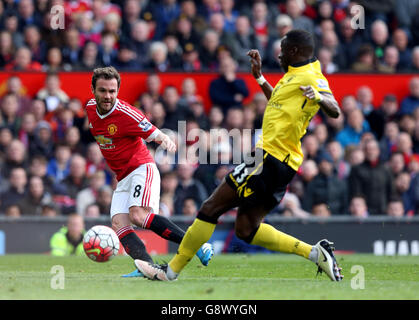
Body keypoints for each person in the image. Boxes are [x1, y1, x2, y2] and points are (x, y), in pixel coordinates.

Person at [135, 29, 343, 282]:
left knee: (210, 208)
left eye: (282, 49)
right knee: (246, 229)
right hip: (283, 164)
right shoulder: (293, 75)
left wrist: (320, 97)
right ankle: (314, 253)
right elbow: (278, 102)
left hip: (267, 158)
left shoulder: (312, 76)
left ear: (294, 51)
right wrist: (260, 79)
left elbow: (335, 110)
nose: (278, 54)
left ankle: (170, 271)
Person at [85, 67, 213, 277]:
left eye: (112, 91)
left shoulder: (126, 113)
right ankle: (145, 266)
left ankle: (198, 245)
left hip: (141, 168)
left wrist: (166, 140)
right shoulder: (90, 108)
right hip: (123, 175)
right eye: (103, 90)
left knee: (139, 215)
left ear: (117, 91)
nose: (108, 96)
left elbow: (154, 132)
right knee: (119, 223)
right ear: (93, 90)